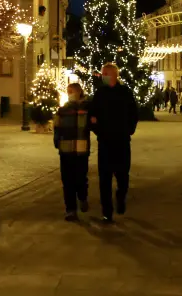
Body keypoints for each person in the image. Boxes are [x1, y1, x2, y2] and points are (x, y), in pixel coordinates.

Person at [87, 63, 139, 223]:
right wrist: (96, 128)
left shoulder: (125, 92)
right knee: (104, 179)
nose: (103, 76)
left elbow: (133, 113)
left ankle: (121, 197)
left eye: (106, 74)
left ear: (114, 75)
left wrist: (129, 129)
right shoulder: (100, 93)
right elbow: (92, 115)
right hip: (105, 142)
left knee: (123, 175)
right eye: (102, 73)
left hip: (122, 141)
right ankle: (106, 212)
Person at [53, 82, 91, 220]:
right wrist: (57, 141)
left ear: (79, 92)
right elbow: (57, 126)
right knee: (67, 180)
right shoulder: (63, 110)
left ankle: (82, 197)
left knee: (81, 178)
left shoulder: (87, 108)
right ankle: (70, 209)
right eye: (69, 91)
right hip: (66, 150)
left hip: (81, 150)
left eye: (72, 91)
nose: (70, 94)